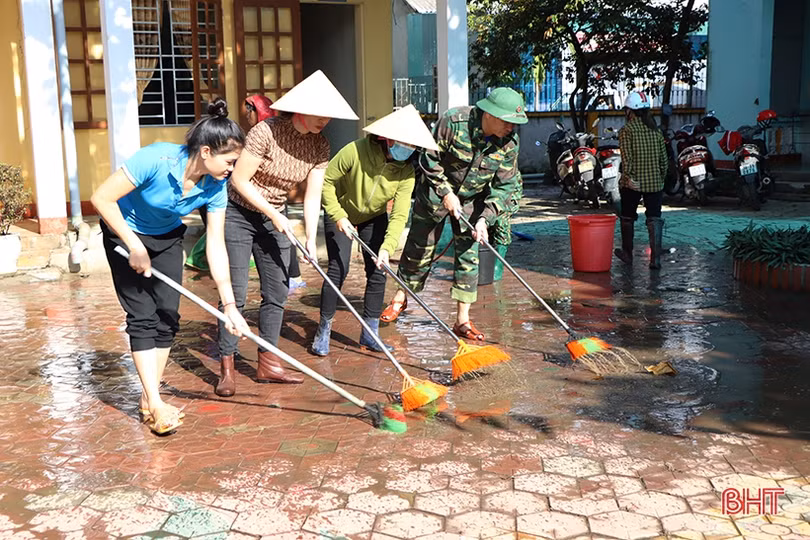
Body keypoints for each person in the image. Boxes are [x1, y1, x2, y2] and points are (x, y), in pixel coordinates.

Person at [91, 98, 250, 434]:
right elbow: (101, 198)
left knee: (167, 316)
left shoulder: (217, 185)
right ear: (206, 152)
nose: (232, 169)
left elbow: (216, 245)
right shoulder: (156, 159)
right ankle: (154, 401)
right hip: (125, 233)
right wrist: (133, 245)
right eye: (230, 161)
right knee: (142, 315)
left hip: (166, 238)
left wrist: (230, 306)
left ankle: (151, 400)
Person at [214, 70, 358, 397]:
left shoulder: (321, 145)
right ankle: (227, 364)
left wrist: (309, 237)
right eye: (320, 113)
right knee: (233, 291)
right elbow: (238, 180)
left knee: (277, 289)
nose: (325, 121)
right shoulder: (265, 132)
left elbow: (312, 194)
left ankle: (268, 362)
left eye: (329, 116)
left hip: (275, 215)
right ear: (301, 109)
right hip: (239, 212)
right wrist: (271, 213)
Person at [380, 88, 525, 341]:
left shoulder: (509, 143)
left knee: (469, 258)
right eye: (507, 121)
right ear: (490, 114)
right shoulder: (454, 121)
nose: (511, 127)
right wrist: (446, 192)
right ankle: (400, 299)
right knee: (419, 249)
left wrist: (485, 218)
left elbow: (505, 186)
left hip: (473, 202)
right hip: (435, 195)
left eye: (515, 123)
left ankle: (462, 321)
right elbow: (429, 156)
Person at [310, 105, 439, 356]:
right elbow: (326, 182)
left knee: (379, 270)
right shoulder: (355, 151)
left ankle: (370, 334)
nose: (408, 149)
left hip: (374, 216)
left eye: (413, 145)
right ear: (388, 138)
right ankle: (323, 330)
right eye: (404, 143)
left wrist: (387, 247)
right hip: (341, 210)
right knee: (339, 268)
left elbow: (400, 214)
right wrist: (338, 215)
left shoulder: (407, 172)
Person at [614, 91, 669, 270]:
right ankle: (655, 259)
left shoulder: (627, 131)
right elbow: (664, 161)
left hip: (633, 184)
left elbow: (627, 159)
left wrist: (628, 179)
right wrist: (659, 179)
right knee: (654, 218)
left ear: (629, 111)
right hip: (655, 183)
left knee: (627, 217)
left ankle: (628, 255)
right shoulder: (656, 131)